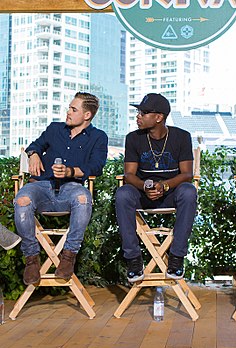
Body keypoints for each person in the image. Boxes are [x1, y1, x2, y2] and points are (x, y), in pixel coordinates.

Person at [14, 92, 108, 285]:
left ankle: (68, 257)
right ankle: (31, 259)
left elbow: (96, 166)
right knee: (22, 199)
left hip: (71, 189)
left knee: (83, 198)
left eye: (74, 109)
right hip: (42, 186)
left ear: (87, 115)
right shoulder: (54, 129)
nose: (68, 112)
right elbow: (35, 145)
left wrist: (70, 172)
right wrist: (33, 154)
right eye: (69, 108)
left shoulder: (98, 137)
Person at [115, 93, 197, 283]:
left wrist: (165, 185)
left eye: (143, 113)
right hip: (142, 193)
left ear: (159, 117)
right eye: (138, 112)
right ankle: (134, 260)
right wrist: (144, 186)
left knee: (189, 191)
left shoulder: (182, 137)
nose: (138, 116)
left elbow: (187, 174)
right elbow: (129, 175)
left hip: (171, 193)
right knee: (122, 194)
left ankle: (176, 258)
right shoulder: (133, 138)